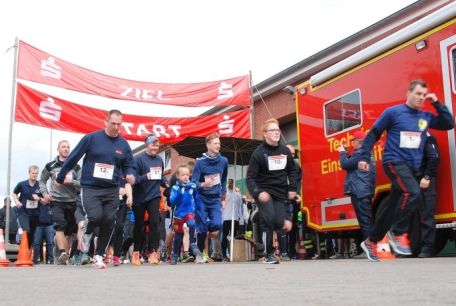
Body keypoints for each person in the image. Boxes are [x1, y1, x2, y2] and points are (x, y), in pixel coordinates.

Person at [359, 79, 454, 261]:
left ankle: (371, 240)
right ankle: (399, 233)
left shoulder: (424, 117)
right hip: (394, 162)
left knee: (392, 207)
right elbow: (373, 134)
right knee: (413, 193)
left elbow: (448, 123)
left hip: (411, 169)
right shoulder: (393, 113)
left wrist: (436, 103)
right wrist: (364, 157)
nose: (420, 98)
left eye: (423, 95)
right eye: (417, 94)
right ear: (408, 93)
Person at [55, 109, 136, 269]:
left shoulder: (123, 144)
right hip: (91, 187)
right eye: (112, 123)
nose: (115, 126)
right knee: (96, 216)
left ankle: (98, 255)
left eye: (119, 124)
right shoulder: (91, 138)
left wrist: (131, 174)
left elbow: (129, 164)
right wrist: (60, 176)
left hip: (111, 188)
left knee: (109, 221)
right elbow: (74, 156)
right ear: (106, 121)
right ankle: (87, 233)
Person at [246, 118, 299, 264]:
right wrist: (258, 192)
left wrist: (293, 188)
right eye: (273, 130)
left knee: (278, 223)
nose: (277, 133)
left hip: (280, 192)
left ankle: (259, 216)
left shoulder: (284, 151)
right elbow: (250, 178)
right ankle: (268, 253)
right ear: (265, 134)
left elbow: (292, 171)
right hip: (265, 193)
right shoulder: (258, 153)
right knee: (268, 220)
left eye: (278, 130)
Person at [39, 140, 81, 265]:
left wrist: (70, 182)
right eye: (63, 147)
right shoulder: (50, 166)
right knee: (59, 225)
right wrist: (45, 194)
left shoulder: (76, 166)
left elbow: (81, 184)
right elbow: (42, 180)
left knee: (68, 231)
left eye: (68, 147)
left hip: (72, 201)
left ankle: (65, 256)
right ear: (58, 149)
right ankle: (62, 251)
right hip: (56, 200)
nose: (66, 149)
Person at [132, 135, 169, 265]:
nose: (155, 148)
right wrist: (146, 176)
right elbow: (134, 180)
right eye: (153, 145)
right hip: (139, 197)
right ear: (147, 145)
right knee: (139, 226)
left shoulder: (159, 160)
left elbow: (161, 177)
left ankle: (152, 252)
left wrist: (166, 183)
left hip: (154, 195)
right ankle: (136, 252)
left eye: (157, 146)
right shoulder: (138, 159)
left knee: (154, 223)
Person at [192, 133, 228, 262]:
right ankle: (199, 253)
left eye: (219, 143)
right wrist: (203, 184)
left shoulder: (224, 161)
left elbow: (223, 180)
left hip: (215, 199)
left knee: (217, 225)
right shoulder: (200, 162)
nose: (218, 146)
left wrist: (223, 198)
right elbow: (193, 182)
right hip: (201, 198)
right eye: (215, 143)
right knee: (202, 228)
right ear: (208, 145)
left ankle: (200, 243)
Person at [339, 130, 375, 257]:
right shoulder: (366, 153)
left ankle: (370, 249)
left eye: (353, 140)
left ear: (359, 141)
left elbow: (345, 164)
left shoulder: (361, 153)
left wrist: (342, 152)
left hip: (360, 192)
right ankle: (369, 248)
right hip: (364, 191)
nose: (352, 143)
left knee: (365, 221)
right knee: (366, 220)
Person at [169, 164, 203, 264]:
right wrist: (180, 192)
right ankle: (175, 255)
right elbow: (172, 202)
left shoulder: (192, 186)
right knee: (178, 236)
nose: (186, 177)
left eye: (187, 175)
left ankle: (192, 243)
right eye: (183, 175)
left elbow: (197, 197)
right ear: (178, 176)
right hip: (178, 214)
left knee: (192, 224)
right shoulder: (175, 188)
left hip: (189, 211)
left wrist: (199, 208)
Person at [417, 132, 440, 258]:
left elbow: (434, 157)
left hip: (425, 180)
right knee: (416, 213)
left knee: (427, 213)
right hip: (414, 180)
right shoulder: (410, 137)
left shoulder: (427, 137)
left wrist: (427, 176)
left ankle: (428, 247)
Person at [12, 165, 44, 248]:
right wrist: (17, 201)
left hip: (35, 214)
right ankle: (22, 247)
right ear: (29, 173)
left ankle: (27, 252)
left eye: (36, 173)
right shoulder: (22, 184)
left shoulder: (40, 185)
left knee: (32, 235)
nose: (34, 175)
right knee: (27, 230)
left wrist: (39, 198)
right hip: (24, 213)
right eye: (33, 173)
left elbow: (45, 201)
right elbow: (14, 193)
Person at [221, 179, 242, 260]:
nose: (230, 184)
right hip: (226, 218)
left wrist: (241, 219)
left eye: (231, 183)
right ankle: (224, 254)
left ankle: (234, 254)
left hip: (235, 219)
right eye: (229, 183)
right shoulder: (224, 194)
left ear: (234, 184)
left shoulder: (238, 194)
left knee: (235, 237)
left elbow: (240, 207)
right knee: (224, 237)